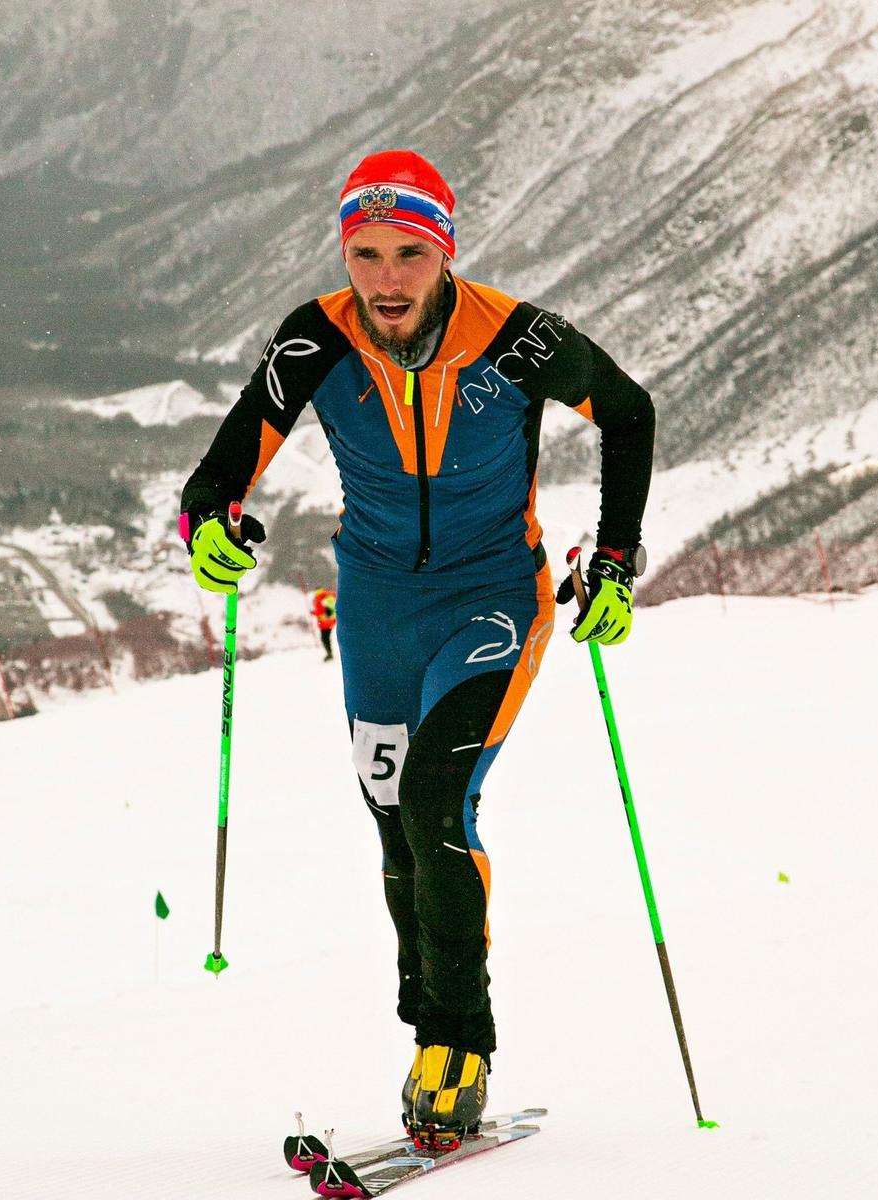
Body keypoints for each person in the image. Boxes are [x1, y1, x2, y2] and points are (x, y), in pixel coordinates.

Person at [180, 149, 654, 1142]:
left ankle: (460, 1040)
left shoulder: (517, 342)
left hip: (490, 598)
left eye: (409, 254)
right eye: (366, 253)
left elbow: (627, 410)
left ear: (445, 254)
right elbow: (231, 453)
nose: (386, 278)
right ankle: (424, 1018)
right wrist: (207, 523)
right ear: (343, 253)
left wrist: (611, 559)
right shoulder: (317, 338)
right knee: (393, 816)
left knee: (440, 800)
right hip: (376, 607)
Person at [310, 586, 338, 660]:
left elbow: (325, 611)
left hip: (325, 623)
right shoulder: (325, 596)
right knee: (325, 638)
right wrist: (314, 612)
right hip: (328, 622)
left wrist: (318, 614)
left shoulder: (320, 598)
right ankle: (329, 653)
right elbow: (323, 611)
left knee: (324, 638)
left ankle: (329, 654)